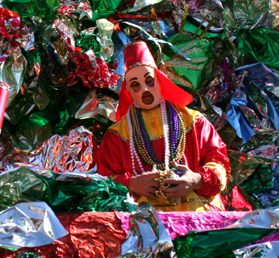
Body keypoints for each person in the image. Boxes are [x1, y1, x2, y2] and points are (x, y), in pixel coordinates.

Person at [96, 41, 229, 211]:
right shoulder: (116, 135)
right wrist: (131, 183)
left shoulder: (195, 122)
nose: (144, 89)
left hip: (198, 216)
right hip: (143, 222)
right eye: (135, 84)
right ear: (127, 90)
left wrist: (197, 180)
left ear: (160, 81)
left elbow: (219, 163)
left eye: (149, 81)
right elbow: (103, 183)